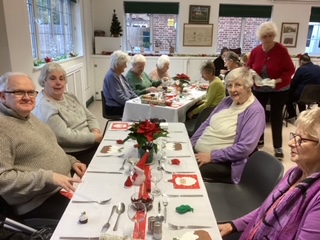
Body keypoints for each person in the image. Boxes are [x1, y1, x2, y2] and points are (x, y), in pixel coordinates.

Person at [219, 107, 320, 239]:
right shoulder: (295, 173)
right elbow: (268, 209)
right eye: (295, 136)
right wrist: (233, 225)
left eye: (302, 140)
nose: (290, 143)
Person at [0, 72, 86, 220]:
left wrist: (72, 161)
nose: (27, 97)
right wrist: (48, 177)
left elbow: (49, 147)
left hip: (64, 185)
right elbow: (3, 179)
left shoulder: (27, 116)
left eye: (31, 92)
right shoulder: (3, 128)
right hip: (40, 201)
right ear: (2, 97)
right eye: (19, 92)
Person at [190, 67, 265, 184]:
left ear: (248, 86)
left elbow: (245, 147)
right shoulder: (227, 101)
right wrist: (191, 144)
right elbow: (207, 123)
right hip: (201, 153)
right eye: (229, 85)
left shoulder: (255, 111)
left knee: (186, 169)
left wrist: (212, 156)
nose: (232, 89)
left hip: (225, 162)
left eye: (238, 85)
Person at [33, 62, 102, 166]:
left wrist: (95, 130)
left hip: (92, 142)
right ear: (44, 81)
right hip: (76, 153)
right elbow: (64, 136)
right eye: (52, 78)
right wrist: (94, 138)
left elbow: (90, 116)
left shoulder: (69, 96)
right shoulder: (45, 106)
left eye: (61, 78)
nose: (58, 82)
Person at [247, 21, 295, 159]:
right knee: (258, 114)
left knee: (276, 116)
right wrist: (253, 74)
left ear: (274, 35)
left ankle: (278, 146)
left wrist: (277, 81)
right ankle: (258, 140)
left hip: (279, 88)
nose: (267, 39)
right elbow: (249, 66)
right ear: (260, 37)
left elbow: (290, 70)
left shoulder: (281, 50)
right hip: (260, 87)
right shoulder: (256, 51)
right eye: (264, 36)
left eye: (270, 36)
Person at [103, 50, 137, 116]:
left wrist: (138, 98)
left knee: (141, 108)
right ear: (118, 64)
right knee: (139, 112)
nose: (126, 66)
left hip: (123, 103)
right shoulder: (111, 76)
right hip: (114, 107)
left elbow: (129, 91)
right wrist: (132, 103)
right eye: (124, 64)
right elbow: (119, 97)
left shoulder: (120, 75)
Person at [286, 53, 320, 119]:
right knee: (301, 94)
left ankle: (292, 114)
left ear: (301, 61)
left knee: (287, 96)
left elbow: (294, 83)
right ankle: (304, 114)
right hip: (316, 95)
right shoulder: (318, 68)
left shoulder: (301, 69)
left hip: (302, 95)